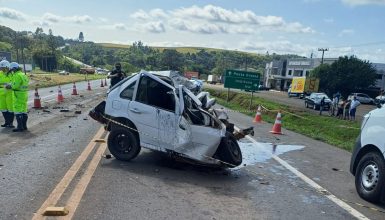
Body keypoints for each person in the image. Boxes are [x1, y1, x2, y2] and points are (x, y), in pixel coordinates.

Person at [6, 62, 29, 132]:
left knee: (17, 111)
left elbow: (15, 86)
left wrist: (9, 86)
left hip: (17, 94)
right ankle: (24, 126)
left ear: (14, 69)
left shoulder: (16, 75)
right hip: (24, 93)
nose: (11, 71)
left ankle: (20, 127)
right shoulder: (23, 74)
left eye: (11, 70)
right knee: (24, 110)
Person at [0, 60, 14, 128]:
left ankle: (11, 123)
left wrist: (10, 85)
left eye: (3, 68)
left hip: (9, 93)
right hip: (1, 94)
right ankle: (6, 122)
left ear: (7, 67)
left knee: (10, 108)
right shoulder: (0, 73)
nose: (2, 69)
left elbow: (14, 82)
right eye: (1, 68)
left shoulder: (12, 74)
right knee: (3, 108)